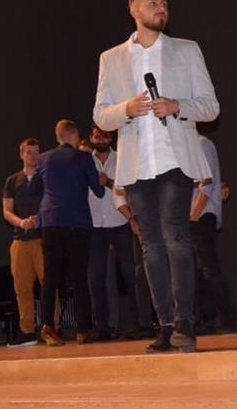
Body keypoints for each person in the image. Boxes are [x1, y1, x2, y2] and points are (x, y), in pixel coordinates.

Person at [93, 0, 219, 353]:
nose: (161, 7)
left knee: (175, 237)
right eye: (153, 2)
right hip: (136, 164)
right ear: (134, 9)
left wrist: (178, 106)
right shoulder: (111, 58)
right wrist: (126, 109)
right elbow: (100, 115)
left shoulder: (187, 49)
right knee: (150, 247)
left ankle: (184, 322)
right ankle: (164, 325)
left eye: (164, 2)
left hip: (174, 159)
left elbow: (211, 107)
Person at [29, 120, 105, 345]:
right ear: (74, 135)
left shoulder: (44, 159)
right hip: (77, 223)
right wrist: (99, 180)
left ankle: (47, 327)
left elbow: (32, 189)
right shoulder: (84, 158)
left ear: (58, 137)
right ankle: (82, 330)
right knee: (79, 277)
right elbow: (99, 192)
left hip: (51, 222)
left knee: (50, 277)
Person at [86, 124, 146, 341]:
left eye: (105, 136)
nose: (101, 139)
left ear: (111, 138)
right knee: (96, 278)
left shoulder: (122, 158)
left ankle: (139, 325)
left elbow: (130, 188)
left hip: (121, 222)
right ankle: (103, 328)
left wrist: (108, 182)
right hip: (94, 225)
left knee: (131, 276)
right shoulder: (85, 161)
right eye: (97, 136)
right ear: (91, 137)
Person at [191, 135, 237, 334]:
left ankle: (228, 318)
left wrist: (194, 214)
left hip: (203, 215)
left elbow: (207, 183)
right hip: (193, 215)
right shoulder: (185, 147)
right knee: (200, 272)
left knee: (209, 268)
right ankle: (206, 320)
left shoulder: (202, 144)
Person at [2, 138, 44, 347]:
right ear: (21, 155)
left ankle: (51, 326)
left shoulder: (45, 177)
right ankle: (27, 331)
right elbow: (6, 211)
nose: (33, 156)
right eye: (29, 152)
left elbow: (53, 203)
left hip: (42, 239)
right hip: (20, 239)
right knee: (22, 287)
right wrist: (21, 222)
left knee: (48, 284)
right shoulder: (12, 181)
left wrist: (39, 219)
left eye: (36, 152)